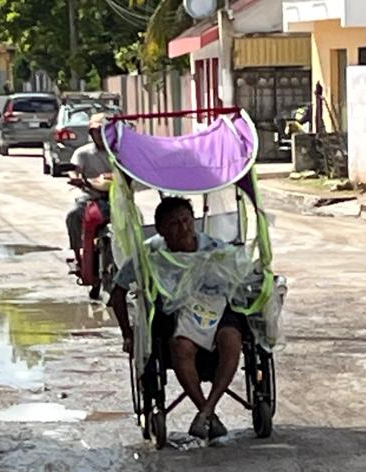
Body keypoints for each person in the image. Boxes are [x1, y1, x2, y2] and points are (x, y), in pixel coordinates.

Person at [109, 196, 242, 441]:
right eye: (174, 224)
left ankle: (206, 411)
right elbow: (117, 292)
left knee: (232, 338)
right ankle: (207, 411)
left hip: (214, 309)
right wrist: (127, 335)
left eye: (187, 221)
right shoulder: (149, 253)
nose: (183, 228)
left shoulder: (215, 249)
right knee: (180, 346)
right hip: (175, 316)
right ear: (161, 230)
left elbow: (242, 278)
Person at [65, 113, 114, 270]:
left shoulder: (119, 153)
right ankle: (77, 252)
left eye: (104, 131)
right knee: (73, 215)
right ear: (91, 134)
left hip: (117, 199)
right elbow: (74, 170)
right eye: (96, 131)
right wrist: (76, 178)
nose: (100, 135)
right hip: (90, 198)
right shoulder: (83, 153)